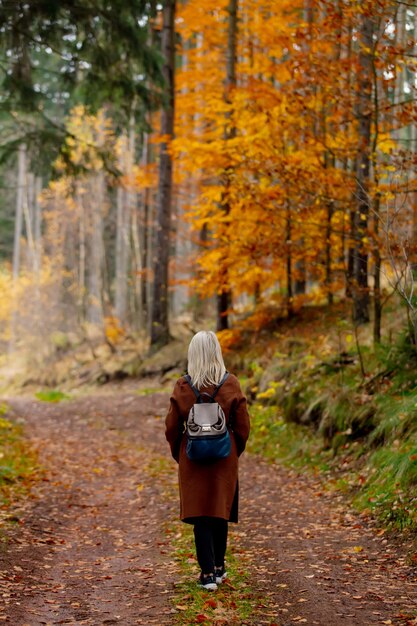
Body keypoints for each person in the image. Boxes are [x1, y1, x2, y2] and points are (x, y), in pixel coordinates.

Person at [165, 330, 250, 591]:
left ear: (193, 354)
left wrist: (180, 451)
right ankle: (219, 567)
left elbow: (171, 426)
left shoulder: (182, 386)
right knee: (218, 512)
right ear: (216, 352)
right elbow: (244, 426)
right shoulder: (230, 383)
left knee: (201, 514)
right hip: (224, 457)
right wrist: (234, 450)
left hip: (192, 457)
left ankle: (207, 574)